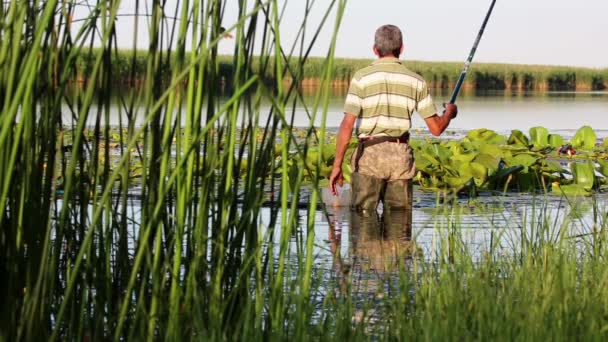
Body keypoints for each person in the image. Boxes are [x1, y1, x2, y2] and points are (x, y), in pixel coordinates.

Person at [328, 24, 458, 211]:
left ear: (375, 49)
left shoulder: (361, 78)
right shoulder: (416, 81)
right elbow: (436, 129)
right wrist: (449, 114)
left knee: (363, 224)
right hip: (400, 157)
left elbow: (347, 125)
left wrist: (337, 166)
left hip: (368, 157)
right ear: (402, 48)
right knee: (399, 229)